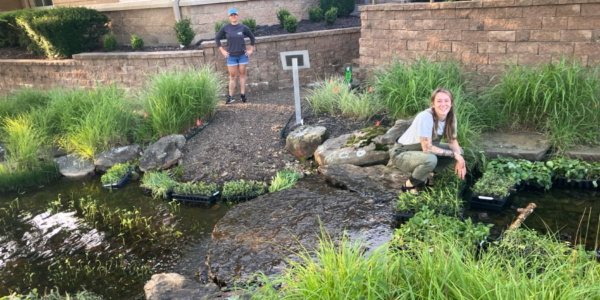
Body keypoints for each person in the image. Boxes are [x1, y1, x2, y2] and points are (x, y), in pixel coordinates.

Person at [389, 87, 467, 193]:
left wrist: (460, 159)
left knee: (459, 151)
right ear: (433, 104)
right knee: (431, 159)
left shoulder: (451, 118)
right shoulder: (426, 117)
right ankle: (409, 185)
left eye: (446, 101)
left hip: (421, 151)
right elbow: (427, 148)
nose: (443, 104)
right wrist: (454, 155)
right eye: (439, 101)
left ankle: (425, 175)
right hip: (402, 153)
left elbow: (452, 141)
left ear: (451, 103)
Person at [215, 8, 255, 104]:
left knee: (242, 75)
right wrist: (222, 51)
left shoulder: (243, 27)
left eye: (235, 15)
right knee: (232, 77)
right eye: (231, 15)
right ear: (229, 17)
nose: (233, 16)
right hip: (231, 57)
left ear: (237, 15)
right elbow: (217, 38)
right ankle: (230, 97)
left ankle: (243, 95)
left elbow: (252, 37)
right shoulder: (225, 27)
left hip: (242, 56)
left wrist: (250, 50)